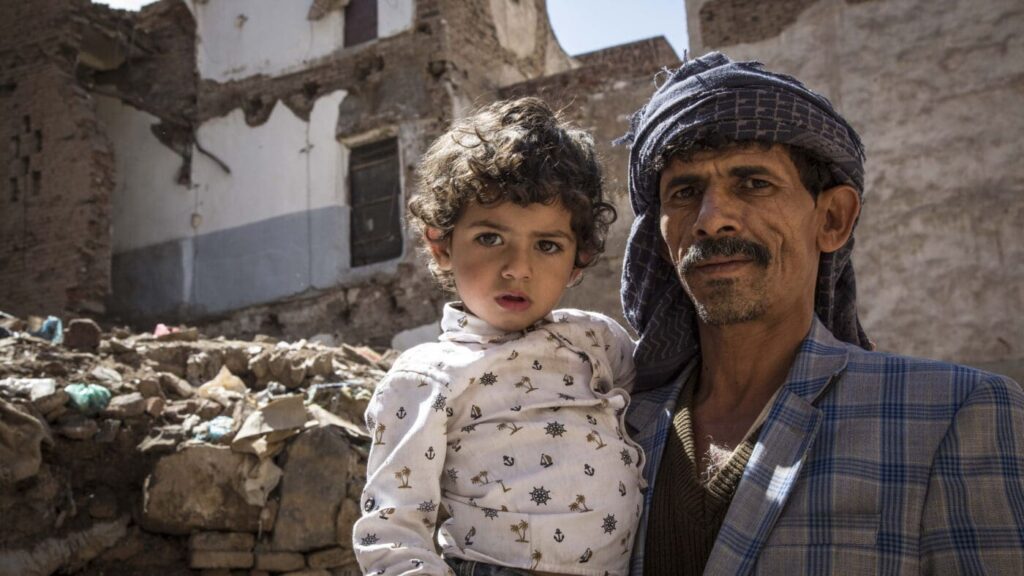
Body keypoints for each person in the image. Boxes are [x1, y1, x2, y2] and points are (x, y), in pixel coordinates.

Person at [618, 52, 1024, 575]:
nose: (711, 219)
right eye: (685, 192)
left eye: (754, 184)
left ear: (832, 219)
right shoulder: (616, 428)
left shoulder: (954, 414)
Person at [353, 97, 646, 576]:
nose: (517, 268)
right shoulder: (425, 378)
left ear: (578, 261)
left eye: (547, 245)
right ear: (441, 245)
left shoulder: (597, 340)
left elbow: (658, 414)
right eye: (490, 238)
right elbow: (392, 531)